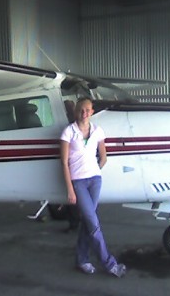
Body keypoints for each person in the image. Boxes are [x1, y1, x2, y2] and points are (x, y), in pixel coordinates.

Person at [60, 97, 126, 277]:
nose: (84, 113)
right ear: (76, 112)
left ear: (92, 112)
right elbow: (64, 163)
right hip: (79, 182)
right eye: (81, 110)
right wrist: (70, 189)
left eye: (87, 110)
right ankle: (109, 263)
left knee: (88, 222)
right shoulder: (68, 132)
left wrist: (95, 169)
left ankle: (82, 260)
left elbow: (103, 157)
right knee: (93, 221)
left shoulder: (97, 131)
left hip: (95, 180)